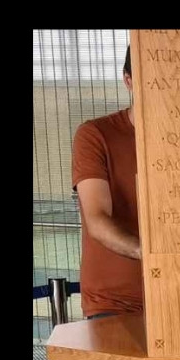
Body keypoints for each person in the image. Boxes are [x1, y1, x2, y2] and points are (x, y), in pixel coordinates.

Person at [70, 45, 144, 319]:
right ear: (129, 80)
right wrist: (150, 254)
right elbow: (97, 219)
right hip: (115, 303)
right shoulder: (95, 135)